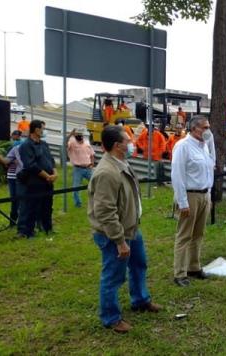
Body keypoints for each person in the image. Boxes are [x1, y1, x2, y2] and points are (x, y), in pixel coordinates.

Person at [88, 125, 161, 333]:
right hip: (115, 234)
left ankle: (140, 299)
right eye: (128, 141)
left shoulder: (121, 163)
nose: (131, 144)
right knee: (113, 276)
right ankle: (110, 317)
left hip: (131, 228)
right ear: (117, 145)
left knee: (139, 264)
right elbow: (104, 211)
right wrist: (119, 241)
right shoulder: (106, 172)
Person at [170, 116, 215, 286]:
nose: (207, 131)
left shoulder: (203, 146)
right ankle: (179, 273)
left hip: (204, 195)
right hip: (190, 195)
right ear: (194, 128)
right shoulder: (183, 146)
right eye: (205, 127)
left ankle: (194, 267)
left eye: (208, 127)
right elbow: (178, 175)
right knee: (184, 235)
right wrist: (182, 202)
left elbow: (209, 169)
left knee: (198, 234)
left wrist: (208, 193)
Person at [17, 120, 57, 238]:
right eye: (42, 128)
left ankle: (47, 228)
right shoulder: (26, 145)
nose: (43, 131)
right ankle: (28, 231)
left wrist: (54, 173)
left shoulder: (44, 144)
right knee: (32, 207)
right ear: (36, 129)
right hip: (35, 182)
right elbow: (31, 165)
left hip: (48, 182)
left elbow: (51, 159)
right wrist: (47, 176)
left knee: (47, 206)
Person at [0, 130, 24, 226]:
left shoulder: (18, 145)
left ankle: (17, 222)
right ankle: (14, 222)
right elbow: (7, 161)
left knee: (17, 199)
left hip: (19, 176)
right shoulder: (14, 146)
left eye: (17, 135)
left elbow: (6, 161)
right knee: (15, 200)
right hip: (13, 176)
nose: (15, 136)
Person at [67, 128, 95, 208]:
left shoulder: (86, 143)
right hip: (78, 169)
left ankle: (95, 201)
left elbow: (92, 154)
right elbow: (65, 143)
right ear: (75, 136)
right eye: (78, 135)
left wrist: (92, 164)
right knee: (76, 188)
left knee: (95, 184)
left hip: (88, 168)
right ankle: (78, 204)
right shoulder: (72, 143)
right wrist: (71, 134)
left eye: (81, 135)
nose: (80, 136)